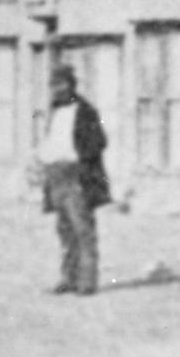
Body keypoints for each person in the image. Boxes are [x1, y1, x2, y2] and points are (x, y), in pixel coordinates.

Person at [35, 64, 111, 295]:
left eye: (62, 84)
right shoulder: (54, 111)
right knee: (64, 229)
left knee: (82, 229)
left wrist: (79, 160)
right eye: (54, 85)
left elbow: (100, 141)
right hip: (55, 175)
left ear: (71, 85)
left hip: (76, 176)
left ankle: (87, 282)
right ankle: (68, 278)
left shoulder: (87, 111)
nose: (57, 89)